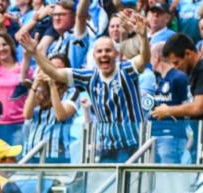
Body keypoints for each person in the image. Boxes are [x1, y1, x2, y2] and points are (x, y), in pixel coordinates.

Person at [19, 13, 149, 163]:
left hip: (134, 143)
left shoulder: (126, 69)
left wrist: (143, 38)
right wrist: (35, 53)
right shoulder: (87, 76)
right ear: (93, 56)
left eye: (108, 50)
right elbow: (53, 72)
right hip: (108, 146)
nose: (103, 54)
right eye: (99, 51)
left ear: (116, 54)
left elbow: (143, 60)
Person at [156, 32, 203, 121]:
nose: (175, 67)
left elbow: (198, 108)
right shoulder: (192, 71)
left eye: (176, 62)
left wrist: (168, 110)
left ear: (188, 53)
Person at [23, 55, 79, 163]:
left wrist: (52, 85)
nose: (54, 71)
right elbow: (27, 114)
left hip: (57, 154)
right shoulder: (38, 90)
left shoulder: (72, 92)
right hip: (32, 151)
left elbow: (61, 115)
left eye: (59, 68)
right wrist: (35, 84)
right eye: (51, 67)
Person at [148, 43, 192, 163]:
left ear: (156, 57)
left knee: (168, 176)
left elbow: (189, 107)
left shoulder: (179, 77)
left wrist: (190, 136)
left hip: (173, 136)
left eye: (150, 58)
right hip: (155, 136)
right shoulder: (159, 80)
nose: (150, 62)